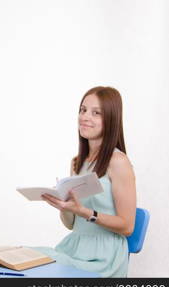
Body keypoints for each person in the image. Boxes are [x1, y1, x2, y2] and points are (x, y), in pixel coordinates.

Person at [36, 86, 136, 277]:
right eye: (83, 110)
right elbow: (72, 225)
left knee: (40, 268)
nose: (85, 117)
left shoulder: (118, 162)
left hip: (105, 256)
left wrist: (86, 212)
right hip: (75, 246)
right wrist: (63, 205)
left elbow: (128, 226)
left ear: (111, 119)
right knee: (26, 257)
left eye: (96, 113)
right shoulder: (77, 162)